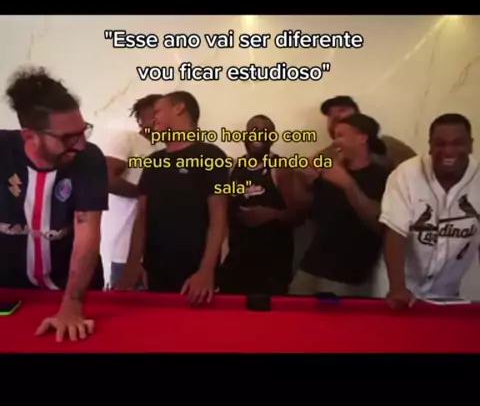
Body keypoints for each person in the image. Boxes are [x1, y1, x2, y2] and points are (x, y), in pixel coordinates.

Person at [0, 67, 109, 341]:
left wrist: (72, 306)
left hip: (75, 292)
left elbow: (87, 236)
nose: (81, 144)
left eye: (83, 131)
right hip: (13, 295)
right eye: (67, 137)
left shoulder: (89, 159)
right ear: (29, 135)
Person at [116, 91, 229, 302]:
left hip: (195, 279)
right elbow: (142, 217)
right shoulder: (153, 162)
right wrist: (133, 264)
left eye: (158, 111)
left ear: (179, 108)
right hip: (153, 276)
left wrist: (206, 271)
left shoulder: (210, 155)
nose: (153, 119)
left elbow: (219, 218)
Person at [380, 113, 480, 308]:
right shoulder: (406, 174)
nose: (448, 150)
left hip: (447, 294)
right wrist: (397, 287)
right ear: (430, 146)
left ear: (470, 145)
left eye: (457, 143)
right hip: (397, 290)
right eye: (440, 143)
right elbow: (395, 232)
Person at [289, 114, 389, 296]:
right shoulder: (329, 173)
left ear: (362, 138)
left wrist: (348, 185)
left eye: (341, 135)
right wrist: (302, 180)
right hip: (311, 267)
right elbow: (303, 212)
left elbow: (379, 223)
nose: (335, 142)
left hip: (348, 276)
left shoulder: (383, 176)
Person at [219, 115, 298, 295]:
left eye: (265, 131)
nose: (258, 135)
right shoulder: (233, 168)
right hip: (237, 260)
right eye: (254, 130)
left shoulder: (281, 167)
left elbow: (298, 216)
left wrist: (270, 214)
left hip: (272, 265)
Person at [98, 94, 163, 288]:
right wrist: (146, 193)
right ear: (141, 117)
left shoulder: (163, 148)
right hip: (123, 247)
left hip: (153, 247)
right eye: (156, 111)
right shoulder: (128, 139)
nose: (160, 117)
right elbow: (105, 179)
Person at [317, 95, 416, 171]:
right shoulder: (325, 156)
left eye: (342, 110)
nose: (335, 117)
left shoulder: (390, 146)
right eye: (330, 115)